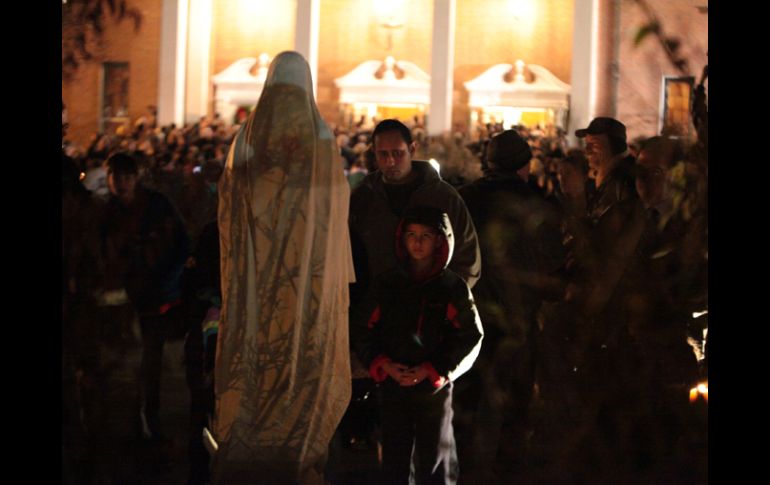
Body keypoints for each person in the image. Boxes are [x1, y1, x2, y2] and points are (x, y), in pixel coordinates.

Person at [212, 51, 355, 484]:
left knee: (256, 361)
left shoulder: (250, 137)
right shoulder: (320, 138)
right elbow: (335, 208)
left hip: (257, 289)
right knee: (301, 363)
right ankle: (297, 452)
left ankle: (249, 450)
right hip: (305, 288)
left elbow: (231, 207)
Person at [458, 130, 565, 481]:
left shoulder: (462, 202)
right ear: (525, 166)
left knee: (466, 410)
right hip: (518, 325)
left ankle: (462, 474)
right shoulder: (539, 208)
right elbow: (553, 272)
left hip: (468, 320)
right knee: (513, 414)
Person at [351, 206, 483, 485]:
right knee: (394, 458)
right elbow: (362, 327)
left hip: (433, 388)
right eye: (411, 234)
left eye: (426, 235)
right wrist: (382, 363)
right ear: (402, 238)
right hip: (392, 384)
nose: (418, 242)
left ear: (439, 239)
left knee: (436, 458)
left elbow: (470, 335)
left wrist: (434, 370)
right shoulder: (387, 285)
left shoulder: (452, 288)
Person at [100, 152, 190, 441]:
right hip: (122, 299)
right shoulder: (106, 212)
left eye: (126, 176)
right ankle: (129, 418)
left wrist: (168, 279)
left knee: (151, 358)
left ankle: (150, 416)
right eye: (115, 176)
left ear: (136, 177)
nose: (121, 182)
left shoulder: (157, 206)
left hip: (157, 294)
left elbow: (180, 243)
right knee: (125, 361)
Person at [349, 118, 480, 298]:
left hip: (431, 310)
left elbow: (467, 259)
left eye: (397, 153)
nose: (391, 161)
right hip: (374, 311)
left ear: (412, 149)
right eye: (383, 154)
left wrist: (445, 301)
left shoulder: (443, 197)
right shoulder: (363, 197)